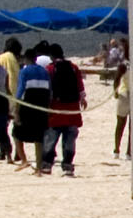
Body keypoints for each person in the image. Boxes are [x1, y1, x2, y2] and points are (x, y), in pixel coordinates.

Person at [42, 43, 86, 176]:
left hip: (56, 109)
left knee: (51, 138)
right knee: (70, 140)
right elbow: (80, 87)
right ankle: (67, 165)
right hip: (72, 110)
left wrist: (46, 106)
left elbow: (48, 90)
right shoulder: (74, 68)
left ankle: (47, 165)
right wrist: (83, 100)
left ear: (52, 56)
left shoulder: (50, 69)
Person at [16, 47, 54, 171]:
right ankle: (38, 168)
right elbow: (49, 91)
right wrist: (48, 108)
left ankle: (24, 160)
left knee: (16, 133)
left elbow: (21, 91)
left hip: (28, 105)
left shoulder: (24, 71)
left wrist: (16, 111)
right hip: (42, 106)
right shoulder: (44, 71)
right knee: (39, 137)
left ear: (26, 59)